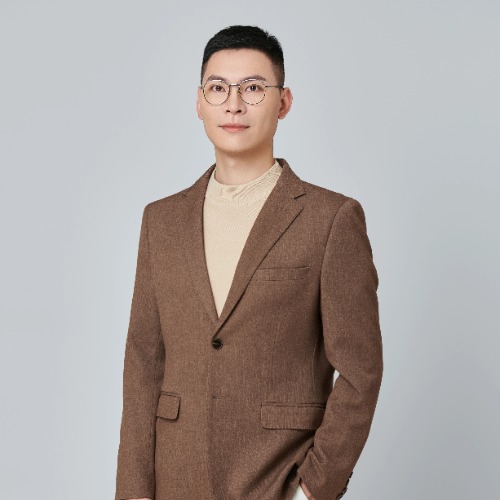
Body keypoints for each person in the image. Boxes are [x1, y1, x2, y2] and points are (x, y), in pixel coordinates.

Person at [114, 25, 383, 500]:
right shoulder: (161, 221)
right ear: (199, 103)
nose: (234, 104)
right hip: (176, 480)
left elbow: (361, 371)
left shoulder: (331, 219)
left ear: (283, 103)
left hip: (275, 479)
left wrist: (313, 490)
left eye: (253, 88)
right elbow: (143, 366)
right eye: (218, 88)